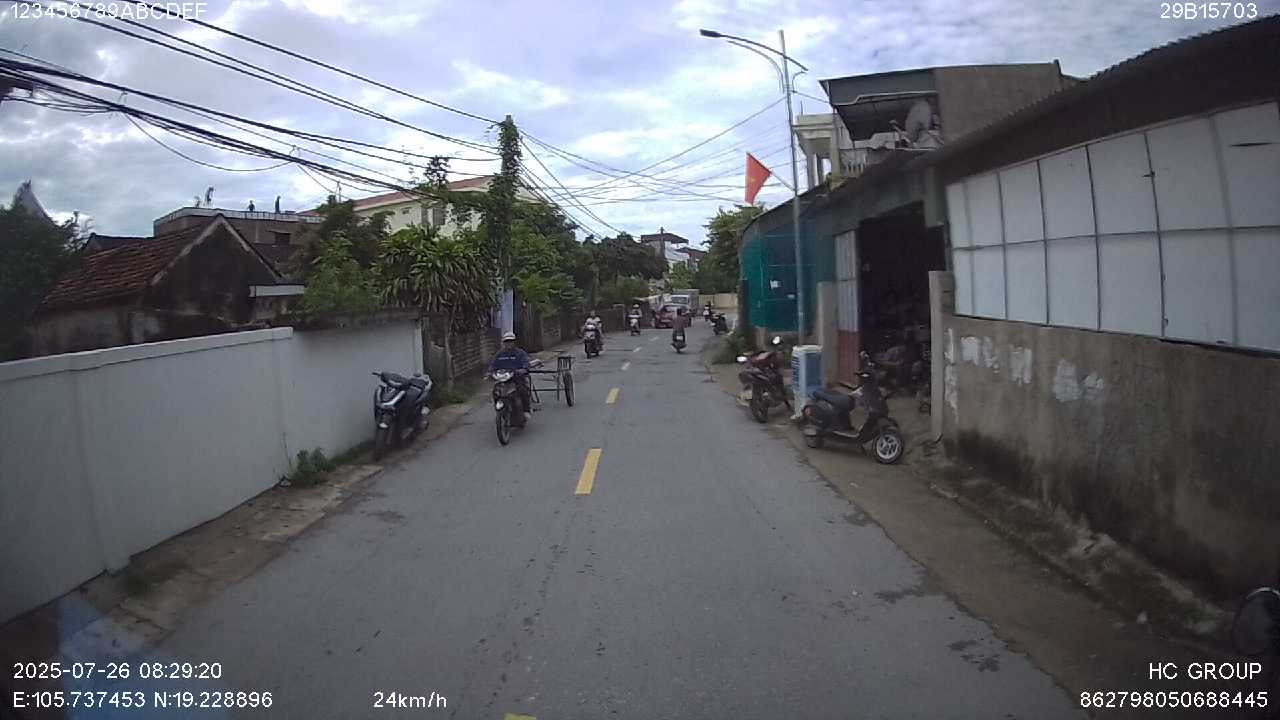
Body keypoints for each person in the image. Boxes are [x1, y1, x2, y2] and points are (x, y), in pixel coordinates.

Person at [488, 331, 533, 419]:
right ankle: (499, 408)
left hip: (516, 378)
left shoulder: (520, 353)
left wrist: (523, 369)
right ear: (504, 343)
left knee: (523, 390)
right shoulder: (499, 354)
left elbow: (526, 363)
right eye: (507, 341)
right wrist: (490, 372)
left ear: (514, 342)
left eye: (511, 341)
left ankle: (526, 411)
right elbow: (493, 365)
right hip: (503, 379)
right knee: (496, 392)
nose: (509, 343)